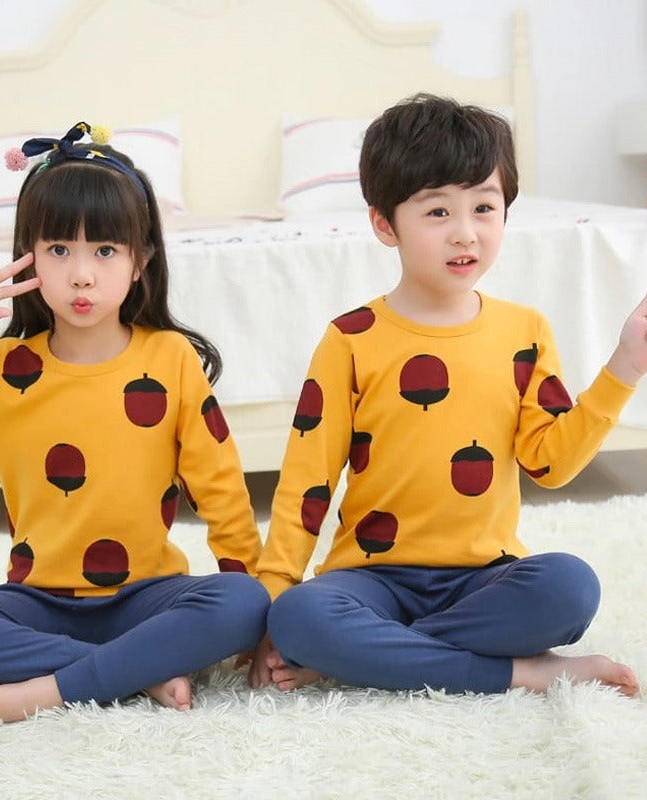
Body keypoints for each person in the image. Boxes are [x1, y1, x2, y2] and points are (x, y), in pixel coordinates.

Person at [0, 122, 269, 735]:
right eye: (58, 251)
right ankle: (131, 674)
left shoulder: (171, 359)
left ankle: (35, 692)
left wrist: (255, 618)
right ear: (29, 257)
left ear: (140, 262)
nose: (80, 275)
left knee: (245, 602)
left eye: (104, 251)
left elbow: (223, 492)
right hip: (38, 605)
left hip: (149, 599)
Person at [249, 94, 645, 698]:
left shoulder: (525, 332)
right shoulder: (350, 338)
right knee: (300, 617)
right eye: (437, 213)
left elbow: (552, 463)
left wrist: (625, 366)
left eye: (484, 208)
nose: (466, 234)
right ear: (385, 223)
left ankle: (374, 654)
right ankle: (521, 674)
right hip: (370, 577)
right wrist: (275, 601)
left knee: (570, 587)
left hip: (484, 578)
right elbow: (307, 483)